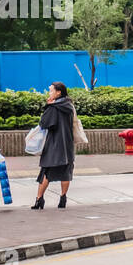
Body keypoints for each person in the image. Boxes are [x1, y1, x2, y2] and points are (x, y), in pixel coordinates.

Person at [31, 82, 76, 210]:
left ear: (58, 92)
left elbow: (44, 123)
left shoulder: (53, 107)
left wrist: (48, 106)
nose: (49, 93)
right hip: (67, 144)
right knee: (66, 171)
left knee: (46, 171)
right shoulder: (69, 106)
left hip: (54, 144)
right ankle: (63, 198)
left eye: (51, 91)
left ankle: (39, 199)